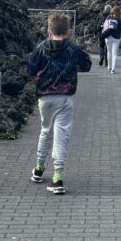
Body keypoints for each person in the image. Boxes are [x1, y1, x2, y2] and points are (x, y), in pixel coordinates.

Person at [26, 11, 92, 194]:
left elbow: (31, 69)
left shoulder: (40, 48)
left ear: (49, 30)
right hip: (65, 98)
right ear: (68, 31)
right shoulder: (73, 49)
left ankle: (39, 169)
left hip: (45, 98)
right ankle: (57, 176)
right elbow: (87, 65)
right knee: (61, 135)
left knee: (45, 131)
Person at [101, 6, 121, 74]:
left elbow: (104, 26)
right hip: (116, 38)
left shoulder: (108, 17)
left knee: (109, 52)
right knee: (114, 54)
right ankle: (113, 69)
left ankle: (109, 66)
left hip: (108, 37)